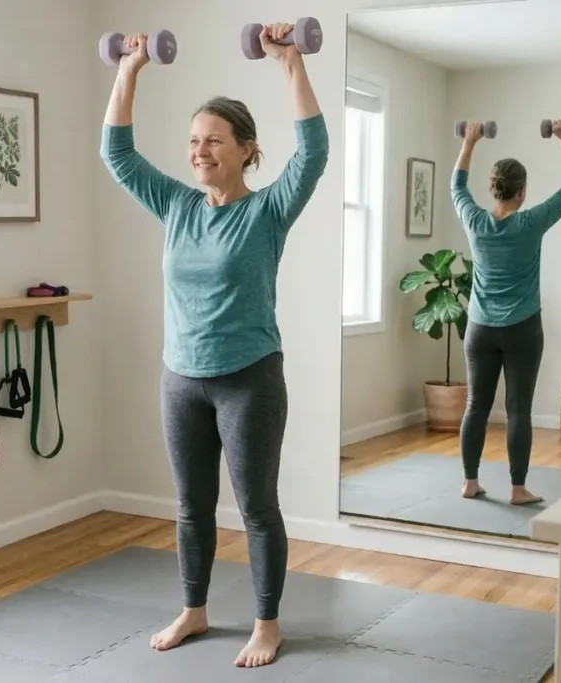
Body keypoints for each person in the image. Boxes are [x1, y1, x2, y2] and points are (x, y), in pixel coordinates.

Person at [99, 24, 328, 668]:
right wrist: (130, 69)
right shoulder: (176, 205)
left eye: (214, 141)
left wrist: (290, 63)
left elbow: (313, 151)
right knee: (191, 506)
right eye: (194, 140)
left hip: (249, 378)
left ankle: (265, 623)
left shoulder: (269, 210)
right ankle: (195, 610)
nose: (199, 151)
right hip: (181, 379)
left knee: (256, 507)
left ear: (246, 151)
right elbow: (116, 155)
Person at [450, 120, 561, 506]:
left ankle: (470, 481)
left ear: (493, 188)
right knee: (518, 409)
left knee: (476, 405)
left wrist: (470, 141)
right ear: (521, 191)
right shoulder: (529, 222)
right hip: (522, 328)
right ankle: (518, 488)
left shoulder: (474, 221)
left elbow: (457, 186)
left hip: (479, 329)